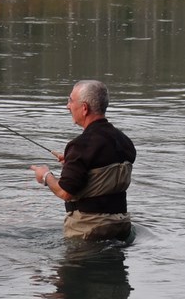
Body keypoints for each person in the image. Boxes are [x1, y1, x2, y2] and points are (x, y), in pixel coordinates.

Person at [30, 80, 136, 241]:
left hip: (89, 231)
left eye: (70, 100)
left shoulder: (80, 146)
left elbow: (65, 192)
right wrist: (73, 161)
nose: (67, 106)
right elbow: (102, 165)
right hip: (121, 227)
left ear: (85, 108)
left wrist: (45, 176)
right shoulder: (124, 141)